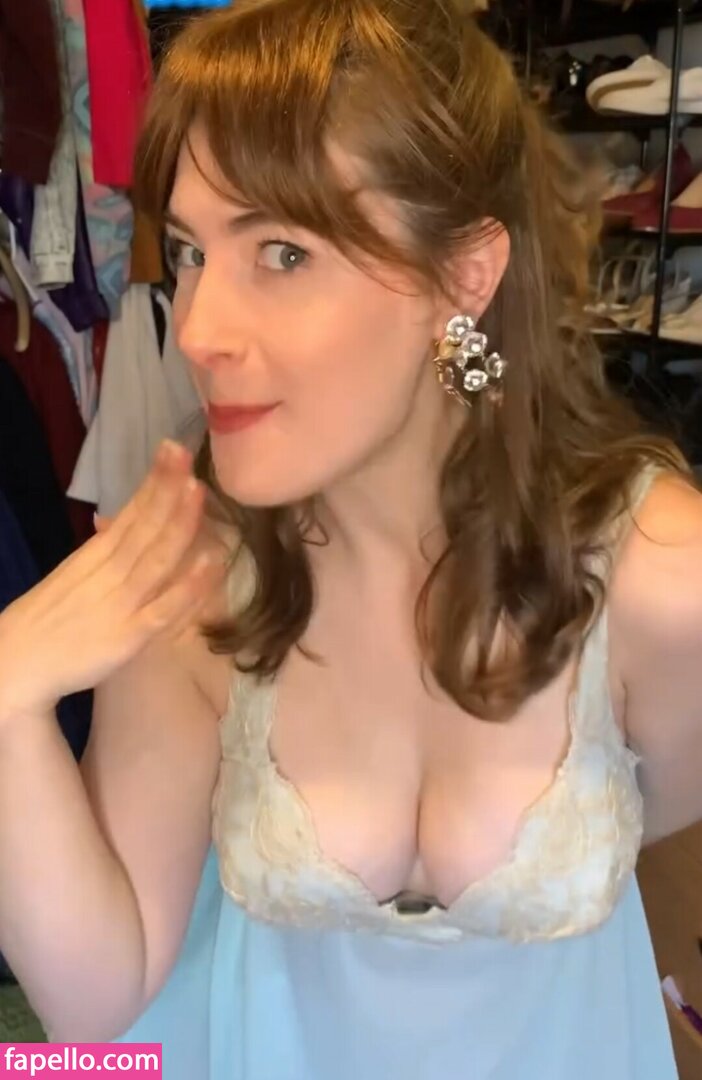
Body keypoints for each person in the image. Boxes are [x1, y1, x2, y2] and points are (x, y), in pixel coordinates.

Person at [1, 0, 701, 1076]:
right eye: (190, 252)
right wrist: (8, 696)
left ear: (463, 277)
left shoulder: (661, 577)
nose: (198, 330)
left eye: (283, 252)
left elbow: (667, 803)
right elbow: (98, 999)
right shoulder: (196, 584)